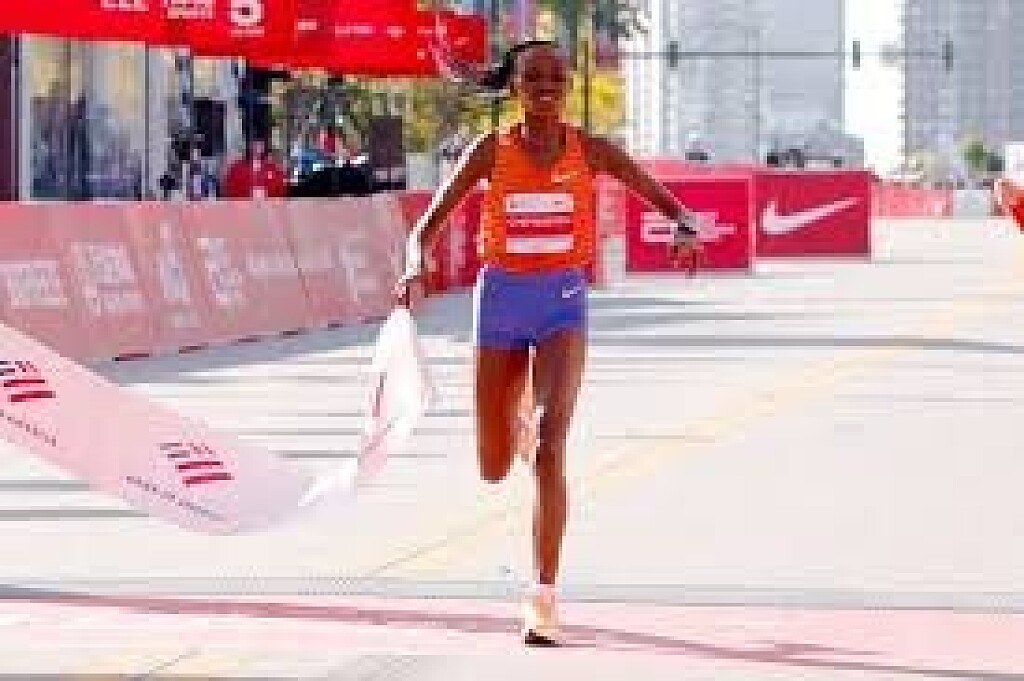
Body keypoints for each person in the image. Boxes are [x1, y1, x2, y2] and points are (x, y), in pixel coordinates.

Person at [393, 40, 702, 646]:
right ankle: (515, 416)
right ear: (513, 87)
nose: (545, 88)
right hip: (500, 306)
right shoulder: (490, 151)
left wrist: (684, 227)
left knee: (551, 447)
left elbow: (672, 204)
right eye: (533, 77)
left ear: (567, 87)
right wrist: (412, 267)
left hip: (561, 302)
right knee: (493, 467)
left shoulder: (592, 150)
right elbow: (424, 228)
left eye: (556, 78)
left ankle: (543, 599)